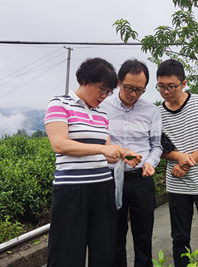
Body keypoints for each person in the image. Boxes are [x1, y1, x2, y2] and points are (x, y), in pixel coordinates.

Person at [44, 57, 141, 267]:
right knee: (67, 253)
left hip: (102, 189)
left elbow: (106, 152)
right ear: (85, 80)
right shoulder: (60, 104)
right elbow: (60, 144)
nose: (104, 96)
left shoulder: (101, 113)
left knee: (104, 251)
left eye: (108, 92)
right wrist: (102, 149)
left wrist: (124, 154)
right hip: (71, 191)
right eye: (101, 89)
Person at [156, 59, 198, 267]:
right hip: (178, 186)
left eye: (171, 86)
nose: (165, 92)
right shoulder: (157, 114)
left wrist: (185, 163)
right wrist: (177, 157)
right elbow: (159, 149)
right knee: (180, 238)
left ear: (183, 83)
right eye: (161, 87)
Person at [100, 59, 163, 267]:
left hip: (141, 180)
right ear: (119, 82)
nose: (133, 94)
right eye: (129, 88)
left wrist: (150, 162)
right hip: (110, 179)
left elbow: (157, 146)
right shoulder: (103, 107)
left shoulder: (151, 111)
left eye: (139, 90)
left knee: (143, 236)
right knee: (114, 236)